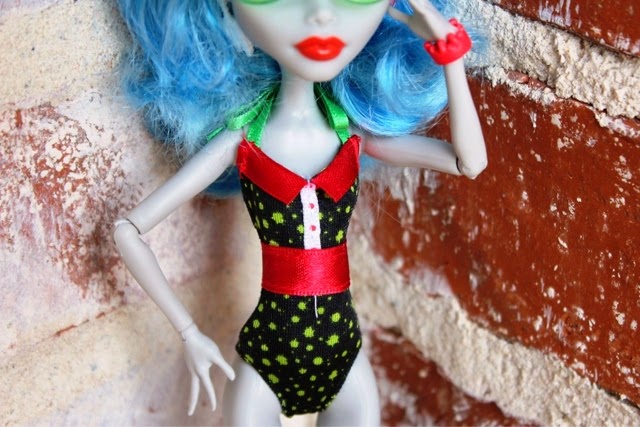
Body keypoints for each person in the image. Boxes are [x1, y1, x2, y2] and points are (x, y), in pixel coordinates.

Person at [113, 0, 487, 424]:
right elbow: (127, 229)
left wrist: (450, 55)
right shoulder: (244, 143)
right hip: (266, 360)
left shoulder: (352, 136)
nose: (321, 13)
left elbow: (468, 162)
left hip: (345, 359)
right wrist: (188, 332)